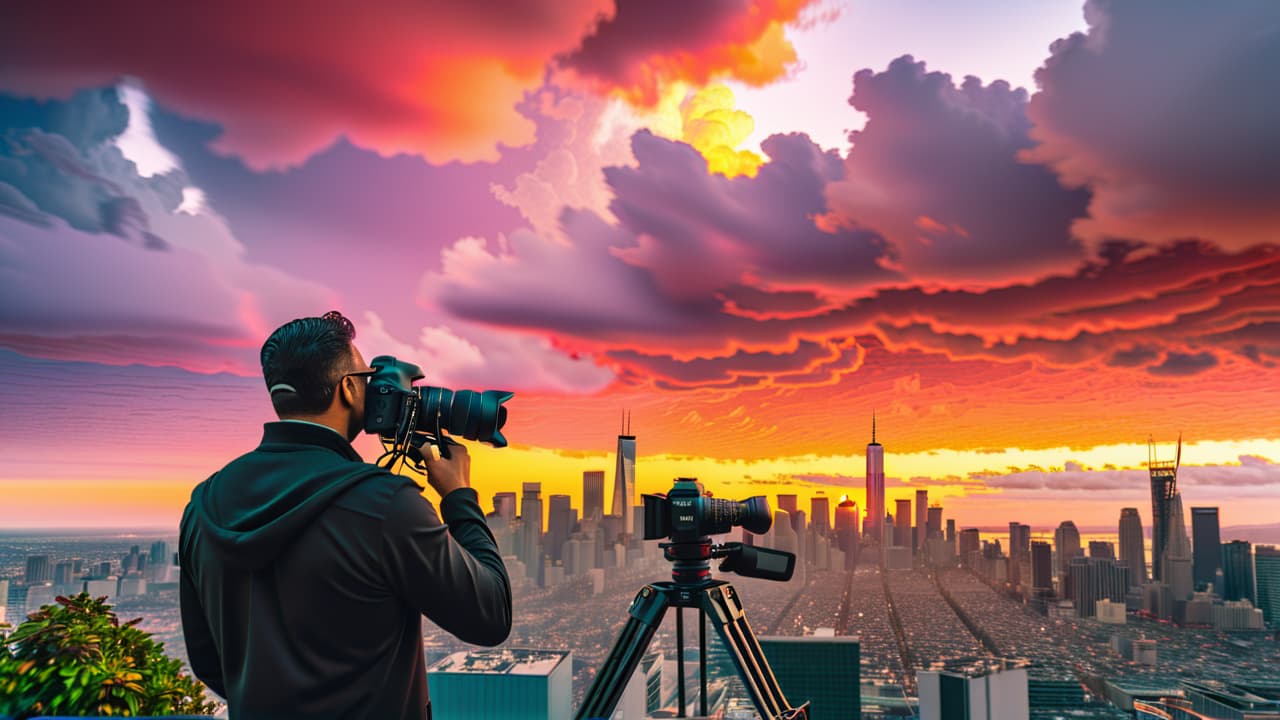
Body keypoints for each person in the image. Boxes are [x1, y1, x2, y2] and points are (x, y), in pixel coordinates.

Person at [179, 311, 511, 719]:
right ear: (349, 390)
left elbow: (210, 662)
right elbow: (491, 616)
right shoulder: (385, 505)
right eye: (366, 379)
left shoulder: (203, 504)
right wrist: (459, 496)